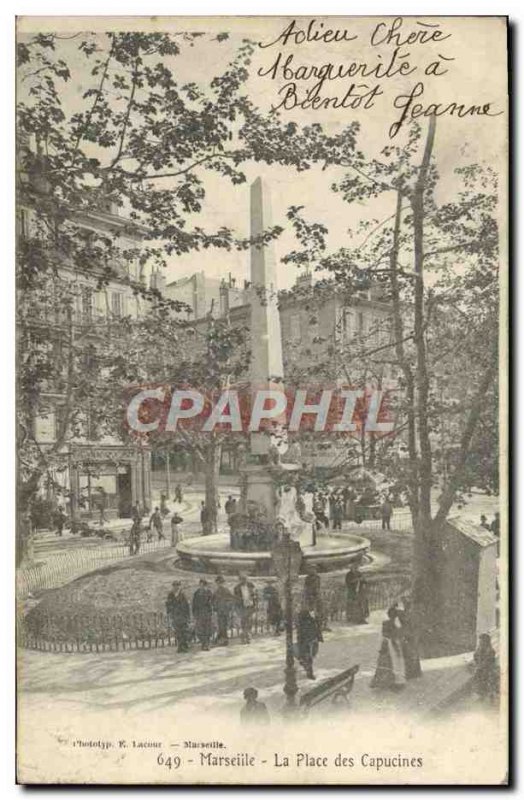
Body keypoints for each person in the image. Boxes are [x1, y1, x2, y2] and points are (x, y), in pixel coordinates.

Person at [370, 606, 406, 691]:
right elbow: (398, 634)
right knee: (394, 662)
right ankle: (394, 680)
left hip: (387, 643)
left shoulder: (386, 623)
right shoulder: (394, 624)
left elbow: (385, 634)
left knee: (388, 662)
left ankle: (387, 680)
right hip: (392, 643)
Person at [397, 596, 422, 679]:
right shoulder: (406, 613)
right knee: (410, 653)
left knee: (411, 653)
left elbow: (412, 625)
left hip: (411, 635)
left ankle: (413, 672)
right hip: (410, 635)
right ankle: (414, 672)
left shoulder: (410, 614)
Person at [297, 607, 322, 679]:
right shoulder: (308, 621)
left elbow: (316, 628)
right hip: (309, 641)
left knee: (310, 656)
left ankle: (305, 665)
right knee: (309, 657)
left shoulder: (310, 620)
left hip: (311, 640)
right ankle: (309, 672)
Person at [166, 581, 191, 653]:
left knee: (184, 631)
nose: (176, 587)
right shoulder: (170, 595)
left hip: (182, 616)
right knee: (178, 632)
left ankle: (184, 646)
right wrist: (169, 612)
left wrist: (188, 616)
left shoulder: (183, 595)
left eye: (177, 585)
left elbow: (186, 605)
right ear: (173, 586)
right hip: (175, 616)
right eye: (174, 586)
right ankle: (180, 646)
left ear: (180, 586)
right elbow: (168, 604)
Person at [473, 633, 499, 701]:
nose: (480, 642)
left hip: (488, 669)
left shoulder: (490, 650)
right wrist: (477, 664)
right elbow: (475, 656)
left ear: (486, 641)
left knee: (488, 681)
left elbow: (488, 661)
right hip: (481, 668)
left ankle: (490, 696)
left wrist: (480, 666)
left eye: (482, 641)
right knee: (479, 681)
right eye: (480, 641)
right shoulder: (479, 649)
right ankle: (481, 695)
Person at [234, 574, 257, 644]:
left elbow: (254, 594)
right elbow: (236, 599)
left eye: (245, 579)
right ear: (240, 580)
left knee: (250, 621)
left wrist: (254, 600)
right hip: (242, 607)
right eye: (242, 579)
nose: (244, 581)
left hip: (250, 606)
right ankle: (244, 637)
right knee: (243, 622)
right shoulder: (237, 588)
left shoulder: (251, 585)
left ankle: (248, 636)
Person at [192, 579, 214, 651]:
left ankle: (207, 644)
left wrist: (211, 612)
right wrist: (194, 613)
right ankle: (203, 643)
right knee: (200, 630)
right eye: (201, 585)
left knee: (207, 629)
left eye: (203, 585)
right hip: (199, 614)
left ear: (205, 585)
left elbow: (211, 603)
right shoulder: (196, 593)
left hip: (207, 614)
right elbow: (194, 604)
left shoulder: (208, 592)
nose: (202, 586)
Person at [213, 576, 234, 646]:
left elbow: (231, 599)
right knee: (221, 625)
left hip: (225, 611)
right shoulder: (216, 591)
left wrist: (228, 607)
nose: (219, 584)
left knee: (223, 625)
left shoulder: (226, 590)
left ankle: (224, 640)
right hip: (219, 611)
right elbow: (214, 601)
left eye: (220, 583)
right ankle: (222, 640)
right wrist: (215, 607)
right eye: (218, 583)